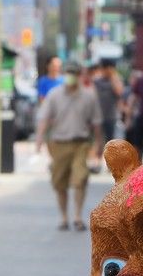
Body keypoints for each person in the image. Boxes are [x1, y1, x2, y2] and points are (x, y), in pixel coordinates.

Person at [35, 60, 103, 231]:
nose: (70, 76)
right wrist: (39, 139)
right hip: (59, 144)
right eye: (68, 73)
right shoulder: (54, 94)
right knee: (59, 182)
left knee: (80, 179)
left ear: (79, 76)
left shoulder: (89, 96)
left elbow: (96, 123)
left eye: (74, 73)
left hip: (80, 143)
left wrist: (99, 145)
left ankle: (78, 216)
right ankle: (64, 217)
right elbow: (44, 118)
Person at [92, 59, 124, 143]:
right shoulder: (96, 81)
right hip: (98, 116)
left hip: (112, 117)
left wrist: (113, 76)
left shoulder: (117, 79)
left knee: (111, 143)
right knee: (98, 143)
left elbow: (119, 92)